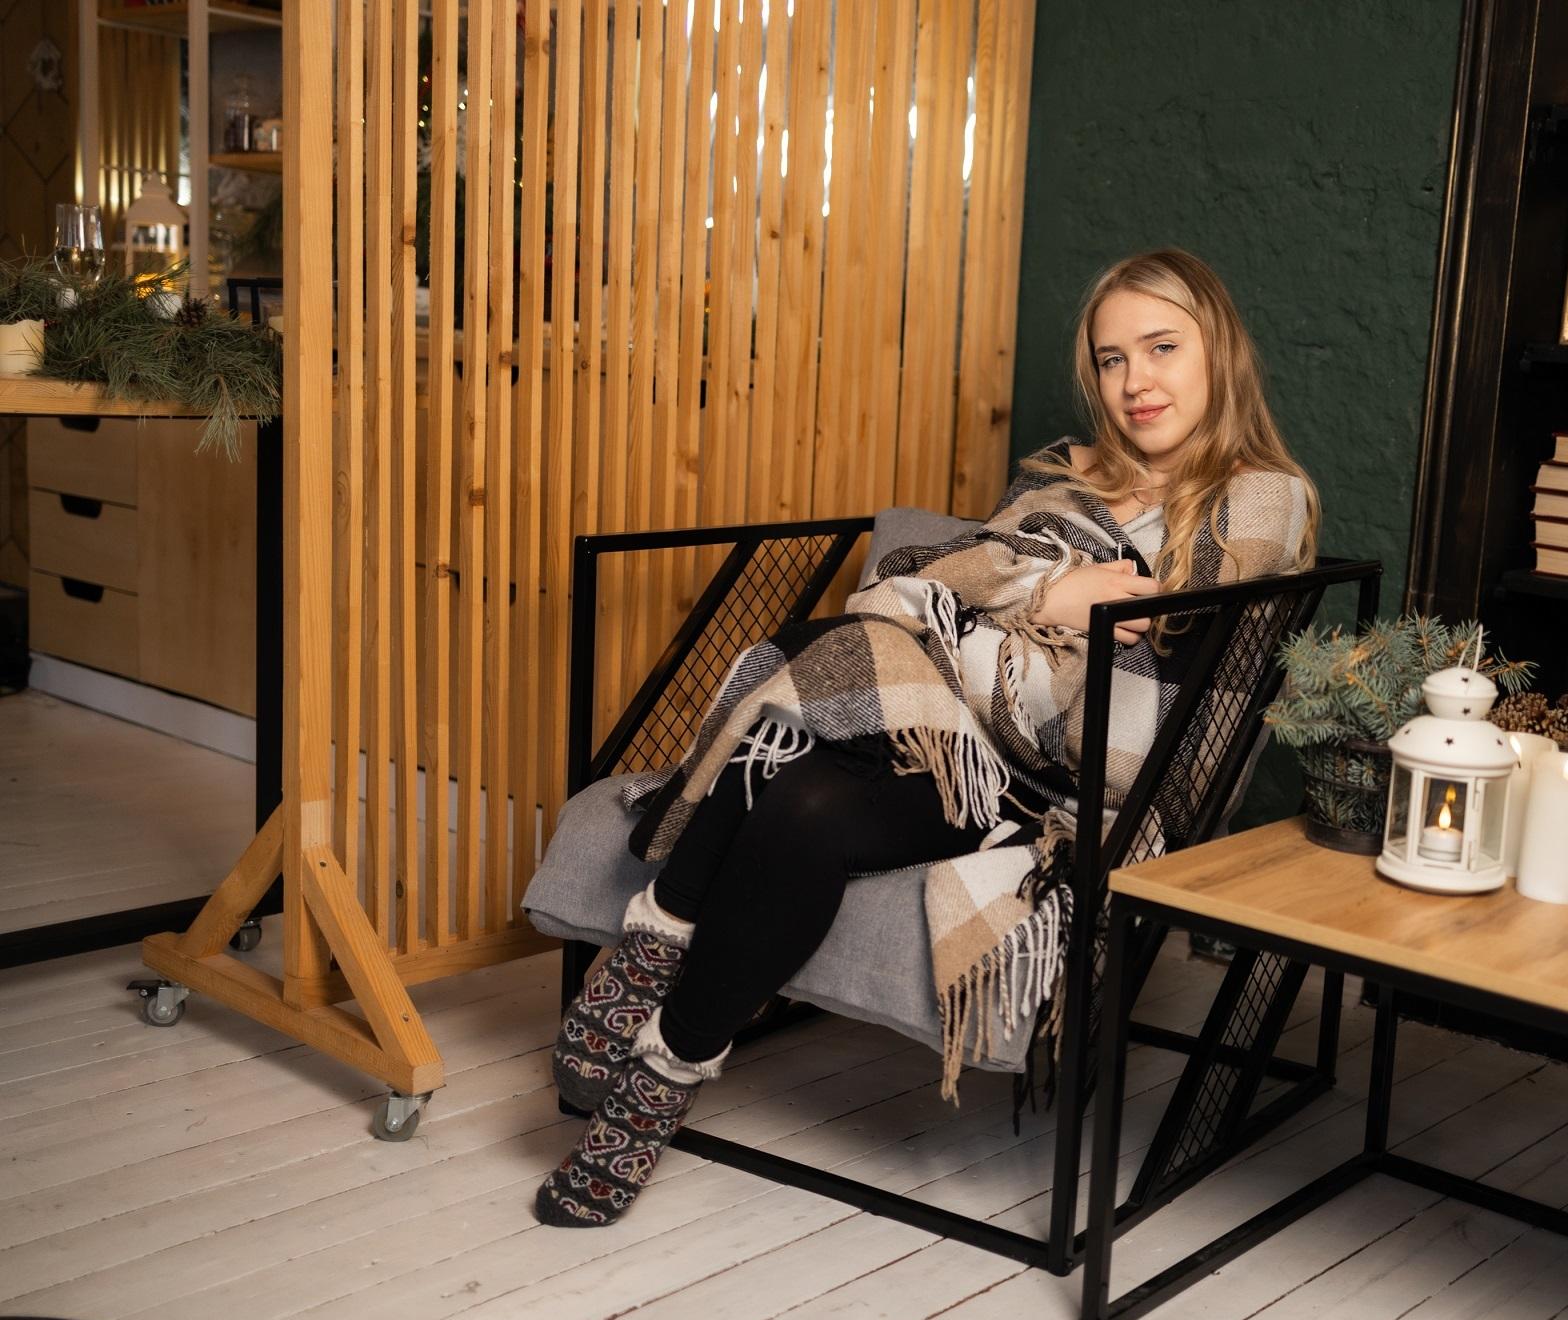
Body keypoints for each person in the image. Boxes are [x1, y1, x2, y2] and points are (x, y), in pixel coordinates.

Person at [534, 248, 1321, 1227]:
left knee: (826, 676)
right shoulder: (1064, 474)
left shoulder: (1258, 493)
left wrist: (1009, 598)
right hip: (946, 735)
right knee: (805, 776)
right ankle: (662, 1038)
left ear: (1218, 352)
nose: (1136, 382)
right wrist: (1052, 591)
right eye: (1113, 359)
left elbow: (1165, 618)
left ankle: (656, 998)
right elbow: (918, 576)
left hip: (1062, 782)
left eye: (1162, 348)